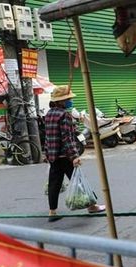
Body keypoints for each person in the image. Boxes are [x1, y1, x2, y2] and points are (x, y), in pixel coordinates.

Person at [45, 85, 105, 222]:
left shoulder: (48, 114)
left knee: (54, 184)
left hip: (54, 156)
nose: (70, 101)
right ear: (62, 101)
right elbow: (67, 138)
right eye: (68, 99)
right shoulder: (64, 115)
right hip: (65, 156)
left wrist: (47, 154)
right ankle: (92, 206)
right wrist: (74, 156)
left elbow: (48, 137)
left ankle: (52, 212)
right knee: (80, 181)